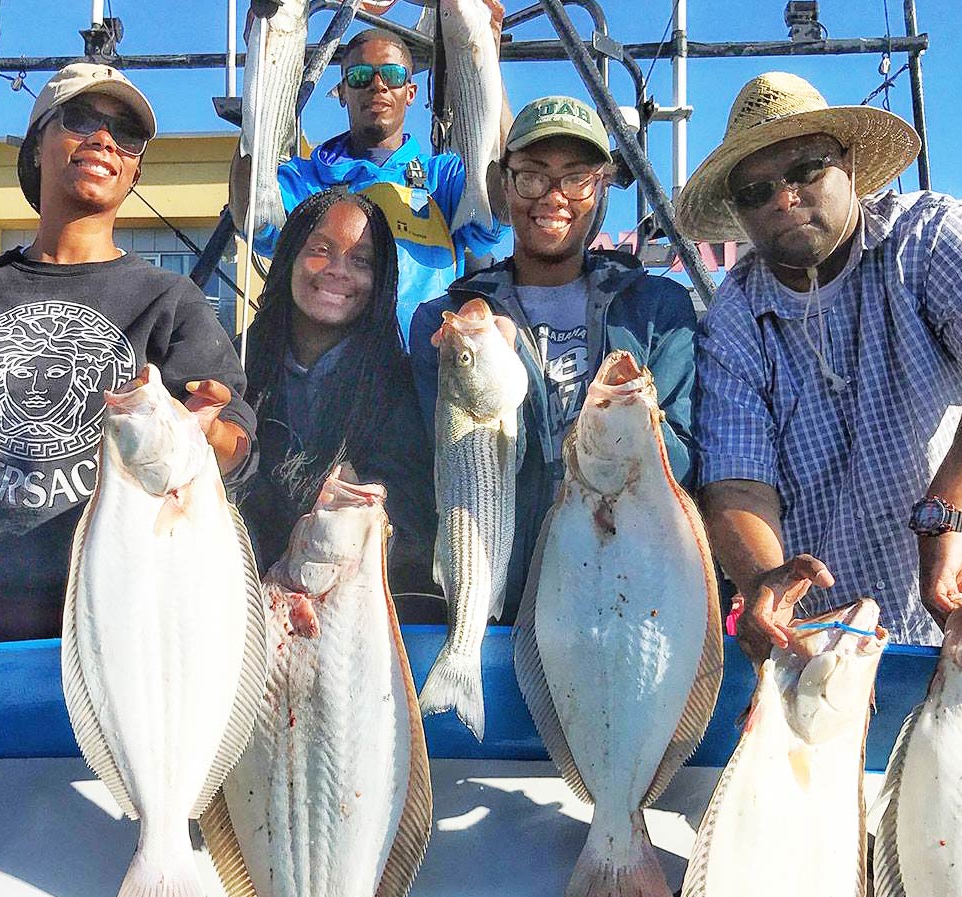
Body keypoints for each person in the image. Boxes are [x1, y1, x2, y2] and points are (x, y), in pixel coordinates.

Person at [0, 63, 256, 645]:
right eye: (80, 119)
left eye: (127, 135)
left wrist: (210, 432)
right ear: (36, 146)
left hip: (130, 615)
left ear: (136, 167)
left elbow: (236, 445)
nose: (104, 140)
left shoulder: (171, 302)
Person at [678, 72, 962, 655]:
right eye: (756, 192)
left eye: (806, 169)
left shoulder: (928, 233)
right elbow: (737, 481)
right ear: (740, 212)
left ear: (849, 164)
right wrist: (762, 581)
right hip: (832, 653)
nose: (785, 198)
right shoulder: (734, 312)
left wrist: (948, 516)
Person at [408, 95, 697, 617]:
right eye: (533, 176)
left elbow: (684, 468)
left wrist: (629, 420)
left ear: (601, 184)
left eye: (576, 177)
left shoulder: (660, 310)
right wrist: (501, 363)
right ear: (503, 183)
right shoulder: (443, 324)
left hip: (628, 599)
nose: (554, 196)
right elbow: (453, 462)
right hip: (500, 600)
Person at [230, 18, 509, 339]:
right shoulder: (301, 179)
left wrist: (486, 59)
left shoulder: (443, 178)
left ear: (411, 92)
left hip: (423, 374)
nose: (378, 85)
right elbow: (250, 215)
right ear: (342, 92)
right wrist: (262, 58)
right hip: (328, 379)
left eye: (392, 75)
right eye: (360, 76)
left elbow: (504, 199)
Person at [238, 186, 436, 601]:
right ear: (289, 255)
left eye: (361, 261)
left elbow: (416, 529)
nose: (338, 271)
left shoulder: (402, 386)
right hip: (242, 611)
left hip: (355, 612)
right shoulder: (234, 363)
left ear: (381, 280)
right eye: (320, 249)